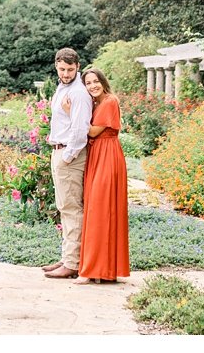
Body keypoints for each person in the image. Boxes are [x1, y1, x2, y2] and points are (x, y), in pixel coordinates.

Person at [41, 47, 93, 279]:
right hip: (59, 152)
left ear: (78, 67)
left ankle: (72, 263)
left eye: (70, 70)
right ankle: (66, 256)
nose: (66, 73)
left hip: (68, 156)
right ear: (56, 66)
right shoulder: (63, 88)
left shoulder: (79, 92)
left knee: (71, 208)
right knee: (64, 206)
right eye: (62, 69)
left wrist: (68, 156)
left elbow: (81, 129)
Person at [77, 66, 130, 283]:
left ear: (103, 81)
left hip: (107, 155)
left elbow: (91, 131)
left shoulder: (109, 101)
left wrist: (73, 112)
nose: (92, 86)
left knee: (100, 209)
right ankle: (102, 270)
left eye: (95, 81)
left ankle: (93, 270)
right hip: (98, 155)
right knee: (99, 210)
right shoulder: (96, 103)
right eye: (88, 83)